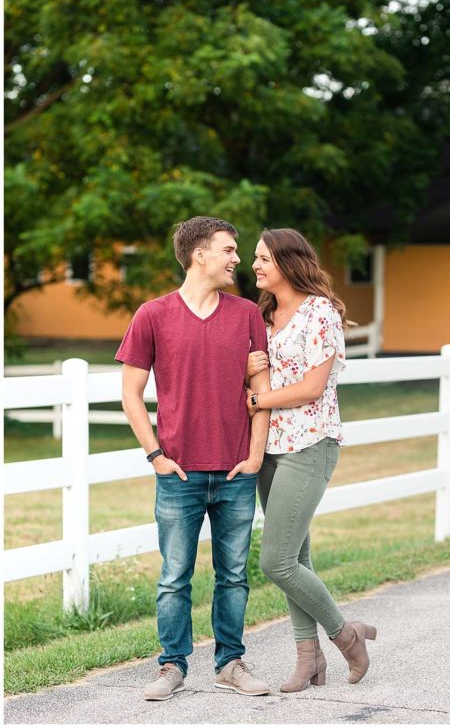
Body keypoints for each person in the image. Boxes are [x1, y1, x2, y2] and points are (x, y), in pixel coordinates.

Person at [118, 216, 272, 701]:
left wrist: (253, 457)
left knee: (233, 575)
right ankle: (171, 666)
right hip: (178, 472)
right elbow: (130, 394)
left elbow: (261, 391)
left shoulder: (246, 313)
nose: (236, 259)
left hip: (235, 472)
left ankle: (230, 663)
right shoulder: (152, 315)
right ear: (199, 255)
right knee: (174, 577)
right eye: (228, 250)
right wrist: (156, 455)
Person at [243, 228, 377, 692]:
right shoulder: (262, 315)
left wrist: (259, 401)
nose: (254, 265)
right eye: (253, 259)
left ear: (287, 261)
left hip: (310, 442)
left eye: (262, 258)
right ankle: (309, 659)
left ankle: (347, 637)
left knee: (276, 561)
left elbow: (313, 388)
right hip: (269, 448)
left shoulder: (320, 312)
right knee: (296, 557)